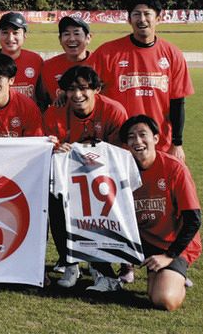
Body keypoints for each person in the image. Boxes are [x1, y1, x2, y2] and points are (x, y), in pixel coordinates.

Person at [42, 65, 130, 288]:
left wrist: (86, 150)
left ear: (97, 89)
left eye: (83, 88)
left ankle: (101, 265)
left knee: (98, 209)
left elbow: (119, 154)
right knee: (55, 197)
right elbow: (48, 148)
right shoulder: (54, 112)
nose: (77, 95)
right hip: (67, 179)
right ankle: (70, 262)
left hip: (103, 178)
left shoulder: (113, 111)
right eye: (71, 89)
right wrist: (56, 149)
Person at [92, 0, 194, 160]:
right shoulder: (108, 52)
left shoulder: (173, 54)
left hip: (159, 143)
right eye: (136, 14)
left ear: (158, 18)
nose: (142, 19)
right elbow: (85, 89)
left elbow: (177, 103)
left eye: (147, 14)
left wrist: (177, 143)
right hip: (117, 142)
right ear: (129, 19)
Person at [121, 115, 202, 311]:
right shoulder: (122, 169)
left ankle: (175, 276)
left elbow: (193, 219)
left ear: (156, 138)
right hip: (146, 243)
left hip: (173, 245)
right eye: (131, 137)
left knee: (164, 299)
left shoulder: (174, 169)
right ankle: (158, 273)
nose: (137, 141)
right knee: (156, 293)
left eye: (143, 135)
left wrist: (169, 255)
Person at [36, 16, 93, 110]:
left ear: (88, 38)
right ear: (60, 40)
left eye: (76, 33)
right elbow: (42, 102)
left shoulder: (100, 63)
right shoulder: (48, 66)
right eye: (66, 34)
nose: (71, 39)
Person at [0, 12, 43, 100]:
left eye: (15, 33)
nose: (10, 38)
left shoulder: (35, 60)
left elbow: (43, 97)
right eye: (5, 32)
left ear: (24, 35)